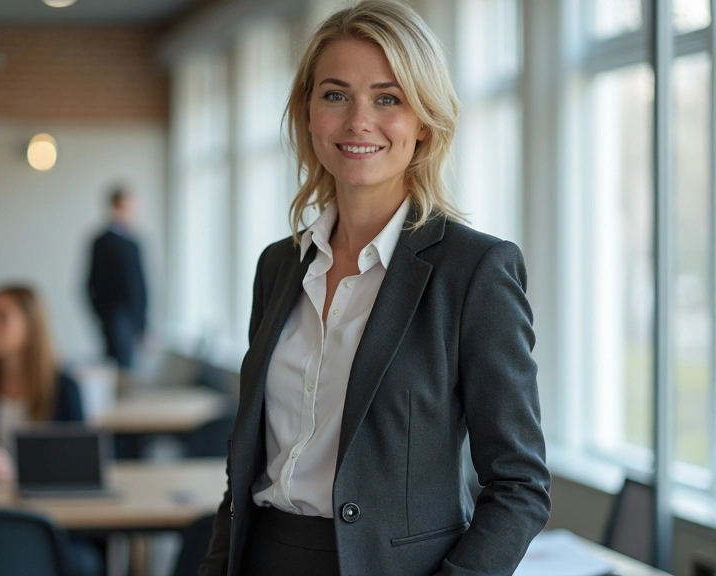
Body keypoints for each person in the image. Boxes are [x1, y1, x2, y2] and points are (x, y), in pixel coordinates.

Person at [197, 2, 551, 575]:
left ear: (424, 122)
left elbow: (521, 484)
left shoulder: (474, 270)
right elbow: (248, 467)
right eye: (335, 95)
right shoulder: (277, 267)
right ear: (308, 114)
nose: (358, 121)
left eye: (388, 98)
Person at [0, 285, 101, 576]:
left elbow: (79, 462)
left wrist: (17, 471)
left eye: (1, 317)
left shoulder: (65, 388)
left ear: (30, 327)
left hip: (51, 521)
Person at [86, 187, 148, 370]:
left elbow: (140, 286)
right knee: (118, 367)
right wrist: (102, 314)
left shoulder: (133, 242)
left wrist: (143, 324)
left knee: (127, 367)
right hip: (114, 316)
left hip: (130, 317)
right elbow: (90, 283)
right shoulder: (102, 242)